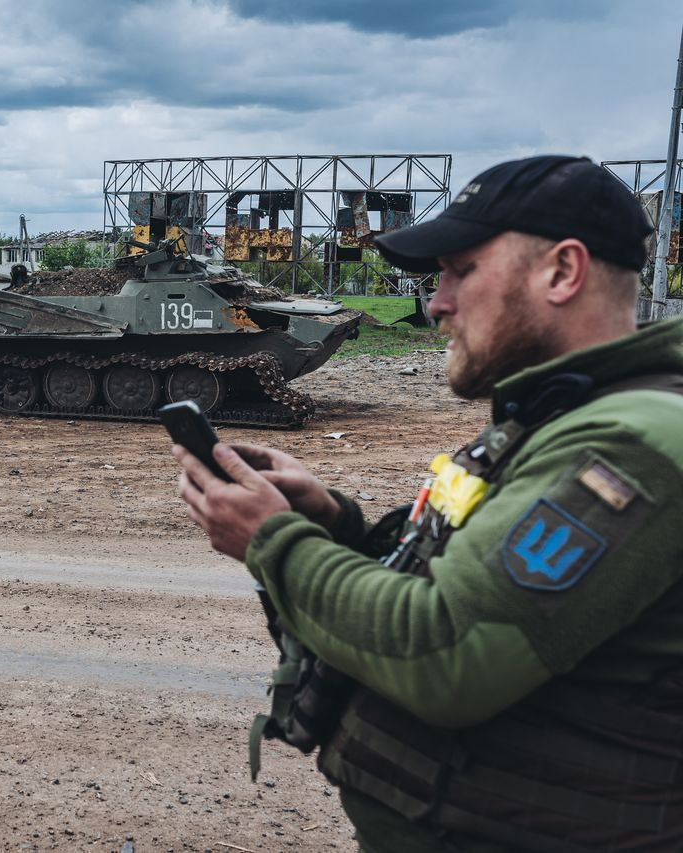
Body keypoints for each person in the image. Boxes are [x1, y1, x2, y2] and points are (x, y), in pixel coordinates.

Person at [174, 155, 683, 852]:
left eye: (462, 271)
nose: (436, 302)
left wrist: (274, 541)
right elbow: (462, 577)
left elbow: (448, 648)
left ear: (563, 272)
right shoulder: (559, 414)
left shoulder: (634, 444)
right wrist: (329, 521)